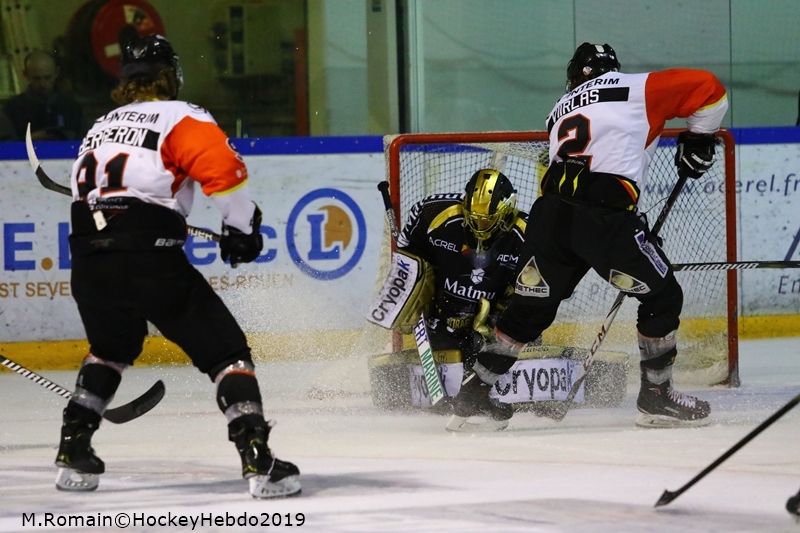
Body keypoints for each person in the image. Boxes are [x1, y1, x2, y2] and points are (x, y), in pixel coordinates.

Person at [53, 34, 300, 499]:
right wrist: (242, 229)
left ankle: (73, 449)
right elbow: (223, 173)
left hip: (89, 260)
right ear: (170, 75)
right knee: (226, 353)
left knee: (111, 347)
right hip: (148, 256)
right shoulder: (180, 115)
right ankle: (258, 460)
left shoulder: (100, 126)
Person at [447, 42, 729, 432]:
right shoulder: (635, 87)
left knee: (529, 311)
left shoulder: (558, 110)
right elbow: (710, 87)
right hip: (602, 219)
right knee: (662, 295)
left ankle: (475, 393)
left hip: (549, 219)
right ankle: (656, 397)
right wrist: (699, 137)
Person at [394, 169, 530, 371]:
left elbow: (537, 294)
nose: (479, 227)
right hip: (444, 324)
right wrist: (409, 283)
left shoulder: (528, 235)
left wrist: (497, 321)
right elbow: (406, 251)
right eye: (473, 218)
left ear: (506, 211)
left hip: (498, 332)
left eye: (487, 220)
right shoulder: (434, 214)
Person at [1, 50, 84, 141]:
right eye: (37, 79)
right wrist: (27, 141)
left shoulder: (72, 107)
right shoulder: (12, 109)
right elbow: (4, 147)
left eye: (47, 77)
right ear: (25, 75)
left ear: (57, 72)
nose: (42, 84)